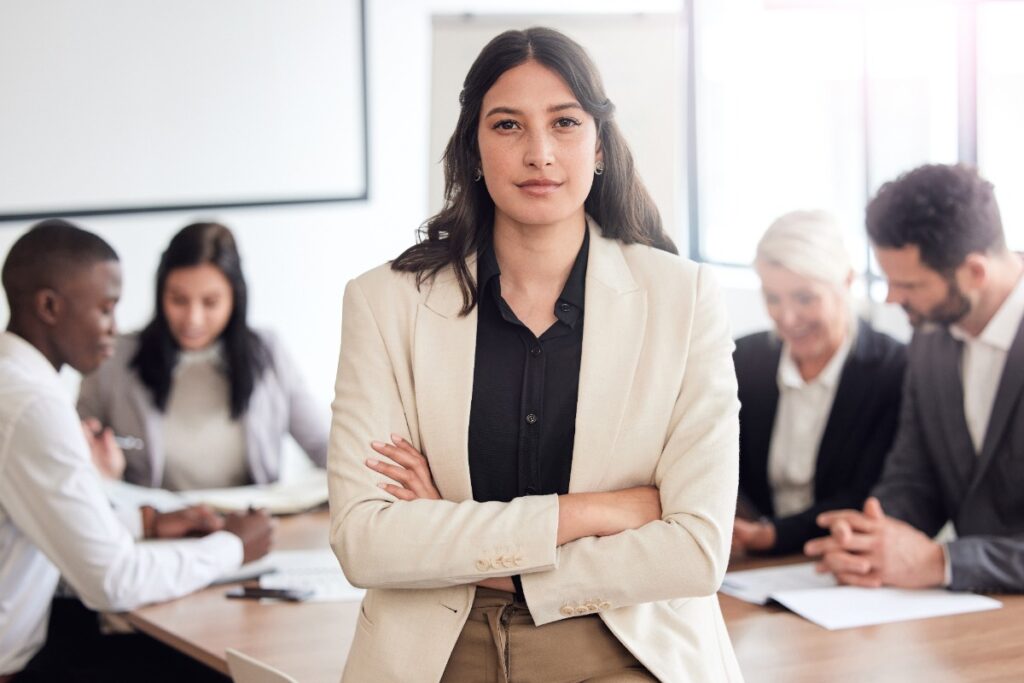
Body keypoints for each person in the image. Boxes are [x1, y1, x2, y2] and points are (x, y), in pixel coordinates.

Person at [328, 27, 741, 682]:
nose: (539, 153)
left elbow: (695, 550)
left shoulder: (682, 299)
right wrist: (586, 513)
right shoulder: (385, 302)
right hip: (437, 654)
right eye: (507, 125)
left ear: (599, 145)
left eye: (565, 123)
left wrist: (452, 538)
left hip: (629, 651)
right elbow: (365, 543)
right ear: (473, 148)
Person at [0, 219, 273, 681]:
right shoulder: (33, 406)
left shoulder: (14, 382)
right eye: (106, 309)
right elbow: (113, 581)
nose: (114, 327)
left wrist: (147, 522)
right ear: (49, 307)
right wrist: (233, 547)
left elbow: (45, 517)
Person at [805, 163, 1024, 592]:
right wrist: (871, 537)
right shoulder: (929, 340)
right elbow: (914, 477)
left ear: (975, 272)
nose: (892, 298)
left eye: (909, 284)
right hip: (967, 615)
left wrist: (942, 562)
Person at [77, 221, 327, 490]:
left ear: (235, 298)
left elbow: (323, 445)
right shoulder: (113, 358)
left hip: (251, 515)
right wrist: (103, 476)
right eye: (179, 300)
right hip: (152, 516)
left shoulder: (268, 352)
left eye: (210, 303)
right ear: (161, 294)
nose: (193, 319)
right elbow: (72, 457)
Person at [732, 211, 905, 555]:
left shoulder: (893, 368)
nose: (787, 318)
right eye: (773, 298)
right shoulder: (743, 359)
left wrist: (772, 536)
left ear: (847, 282)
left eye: (804, 298)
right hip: (750, 562)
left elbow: (872, 492)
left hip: (845, 555)